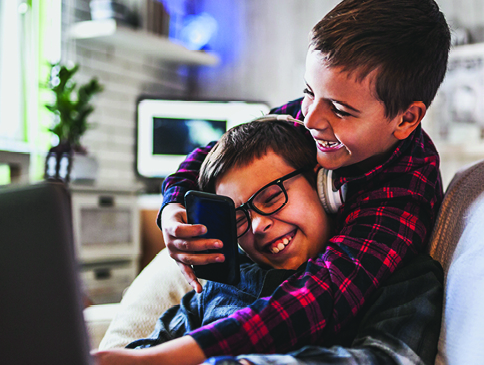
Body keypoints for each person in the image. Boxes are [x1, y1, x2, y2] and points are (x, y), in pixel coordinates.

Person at [156, 0, 450, 360]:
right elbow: (210, 154)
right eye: (310, 91)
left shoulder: (405, 192)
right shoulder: (309, 113)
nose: (309, 119)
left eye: (340, 110)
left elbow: (323, 298)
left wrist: (185, 354)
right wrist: (173, 205)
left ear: (406, 119)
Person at [94, 117, 444, 365]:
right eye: (238, 218)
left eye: (272, 197)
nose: (258, 225)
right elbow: (145, 355)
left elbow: (387, 359)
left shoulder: (401, 276)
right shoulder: (216, 290)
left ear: (325, 190)